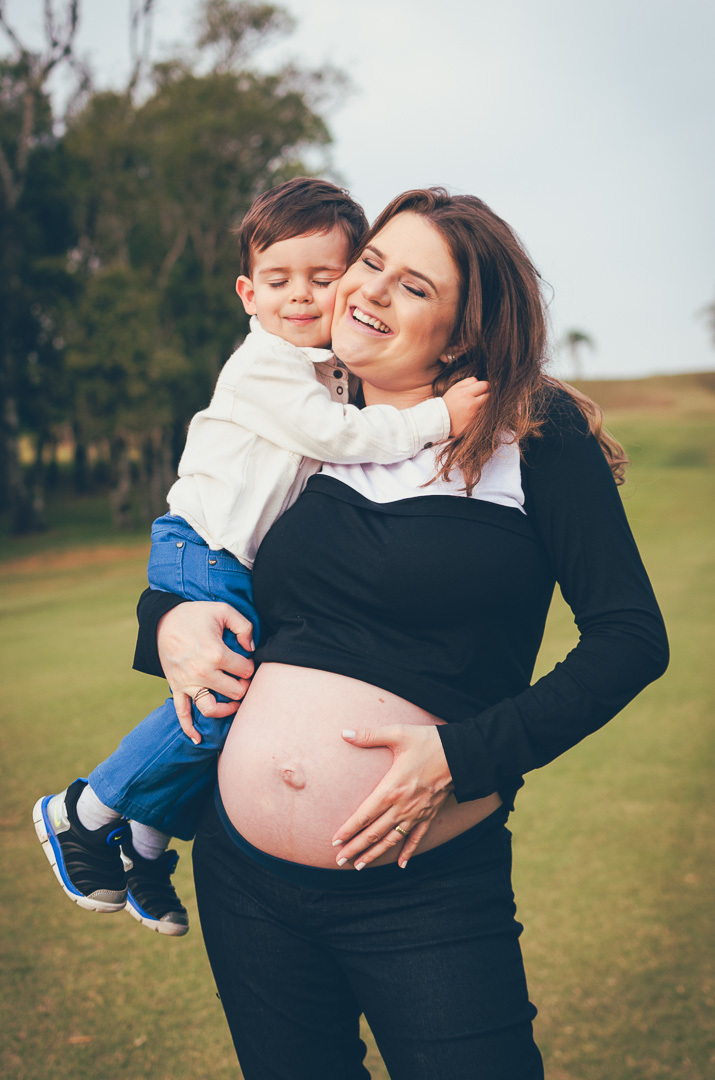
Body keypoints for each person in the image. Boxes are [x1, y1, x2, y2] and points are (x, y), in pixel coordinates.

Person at [134, 188, 669, 1079]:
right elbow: (201, 556)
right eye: (371, 263)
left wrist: (464, 756)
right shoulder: (304, 425)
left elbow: (628, 638)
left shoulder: (533, 436)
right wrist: (166, 625)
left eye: (413, 286)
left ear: (461, 333)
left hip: (424, 887)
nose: (369, 291)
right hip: (246, 881)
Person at [33, 178, 487, 937]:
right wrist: (440, 416)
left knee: (228, 700)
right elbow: (339, 439)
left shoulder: (329, 370)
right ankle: (86, 810)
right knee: (221, 698)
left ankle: (144, 843)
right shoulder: (269, 366)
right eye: (279, 281)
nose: (301, 297)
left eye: (323, 278)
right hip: (201, 547)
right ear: (248, 292)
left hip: (224, 557)